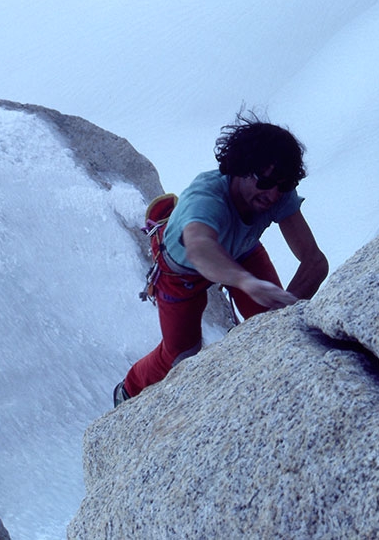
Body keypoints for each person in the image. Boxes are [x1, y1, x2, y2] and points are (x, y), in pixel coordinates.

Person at [114, 112, 329, 407]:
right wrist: (244, 281)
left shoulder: (276, 193)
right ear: (240, 168)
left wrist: (284, 311)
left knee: (271, 323)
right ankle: (128, 389)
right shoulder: (206, 198)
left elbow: (315, 262)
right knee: (179, 355)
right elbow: (200, 248)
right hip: (182, 272)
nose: (273, 195)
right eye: (265, 182)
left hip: (241, 252)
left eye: (284, 185)